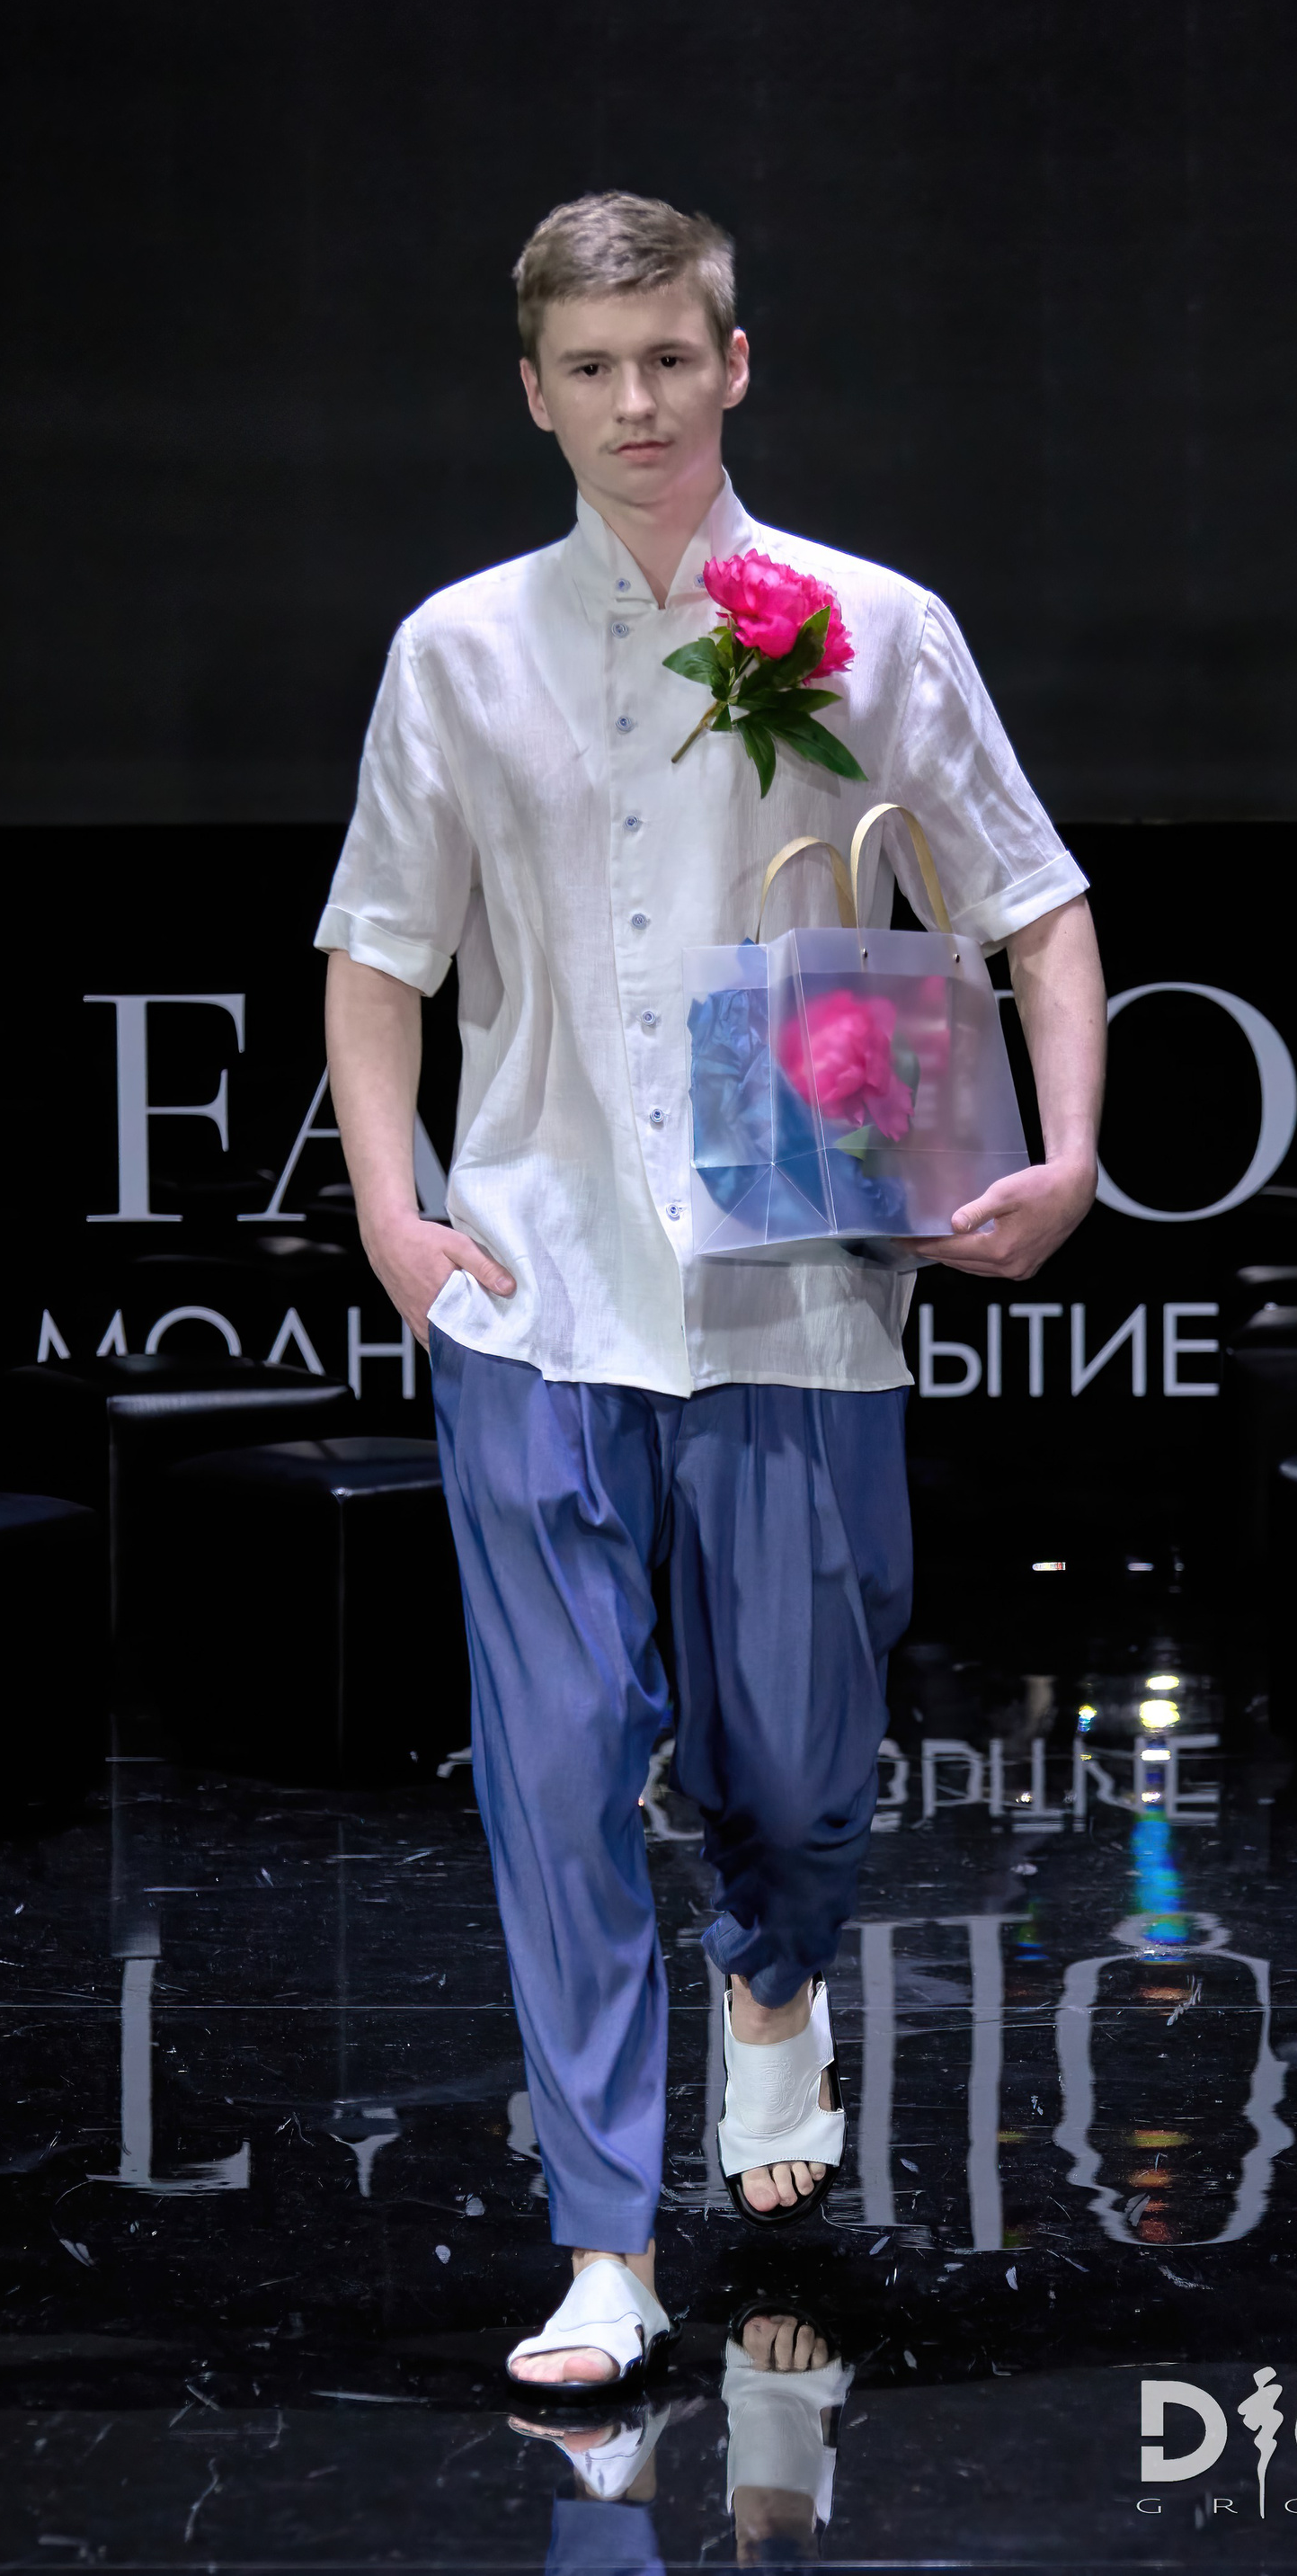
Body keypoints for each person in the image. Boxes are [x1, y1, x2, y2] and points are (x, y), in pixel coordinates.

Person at [320, 191, 1106, 2392]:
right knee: (559, 1770)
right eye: (592, 367)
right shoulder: (458, 648)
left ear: (734, 362)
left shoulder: (869, 623)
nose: (638, 403)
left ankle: (776, 1982)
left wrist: (1068, 1150)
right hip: (535, 1287)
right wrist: (393, 1213)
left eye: (672, 356)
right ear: (533, 389)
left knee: (801, 1763)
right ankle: (603, 2239)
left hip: (797, 1290)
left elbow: (1034, 902)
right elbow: (377, 949)